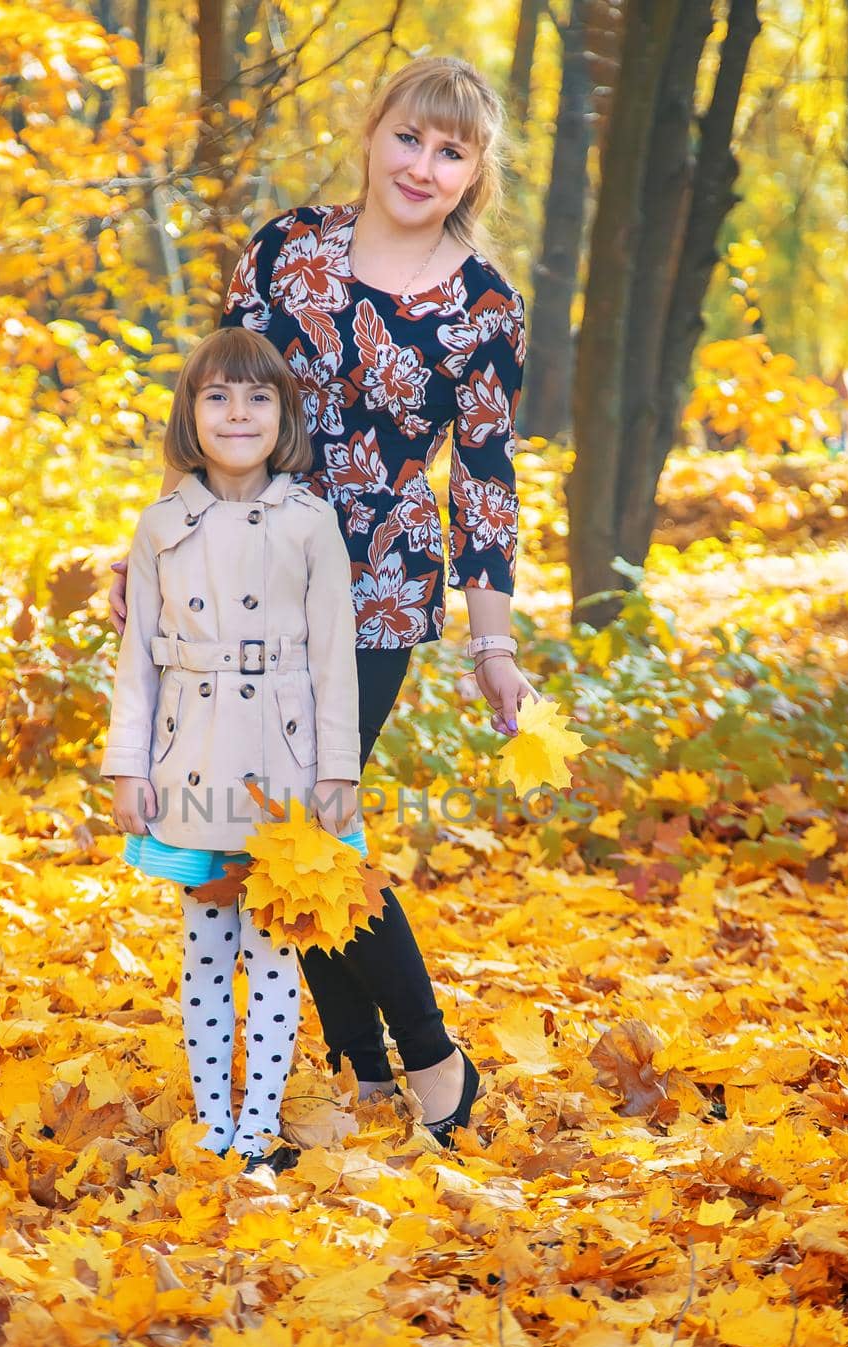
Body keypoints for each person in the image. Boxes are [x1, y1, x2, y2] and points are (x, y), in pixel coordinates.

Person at [108, 55, 540, 1151]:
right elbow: (218, 399)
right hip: (245, 570)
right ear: (372, 130)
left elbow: (482, 480)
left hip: (377, 589)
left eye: (450, 152)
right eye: (410, 137)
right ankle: (363, 1069)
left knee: (306, 821)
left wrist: (494, 647)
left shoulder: (484, 306)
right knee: (266, 826)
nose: (423, 165)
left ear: (474, 172)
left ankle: (433, 1056)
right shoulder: (285, 248)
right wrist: (160, 544)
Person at [102, 325, 366, 1171]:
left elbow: (334, 656)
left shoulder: (309, 523)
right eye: (216, 396)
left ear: (283, 415)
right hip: (192, 760)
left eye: (257, 397)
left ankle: (261, 1121)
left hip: (284, 765)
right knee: (206, 945)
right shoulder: (158, 527)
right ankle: (214, 1118)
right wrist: (126, 766)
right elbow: (136, 658)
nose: (237, 413)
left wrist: (337, 770)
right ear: (190, 415)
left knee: (274, 947)